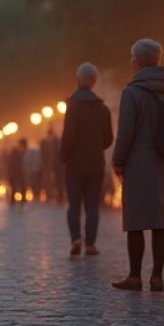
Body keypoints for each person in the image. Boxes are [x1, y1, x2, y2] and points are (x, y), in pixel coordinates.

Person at [112, 39, 164, 292]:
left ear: (135, 63)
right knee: (161, 220)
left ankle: (135, 276)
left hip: (137, 162)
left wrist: (118, 161)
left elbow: (125, 133)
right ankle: (157, 276)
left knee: (135, 222)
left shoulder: (131, 94)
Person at [60, 62, 114, 257]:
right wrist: (96, 147)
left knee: (74, 205)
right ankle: (90, 243)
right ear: (94, 82)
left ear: (77, 80)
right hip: (95, 164)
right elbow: (109, 138)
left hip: (75, 164)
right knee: (92, 205)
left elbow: (68, 135)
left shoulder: (73, 107)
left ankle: (76, 239)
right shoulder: (103, 109)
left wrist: (64, 156)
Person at [6, 139, 27, 206]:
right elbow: (20, 165)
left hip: (13, 173)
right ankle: (23, 198)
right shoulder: (19, 155)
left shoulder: (12, 156)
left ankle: (13, 199)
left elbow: (9, 166)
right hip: (18, 173)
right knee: (21, 186)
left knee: (14, 187)